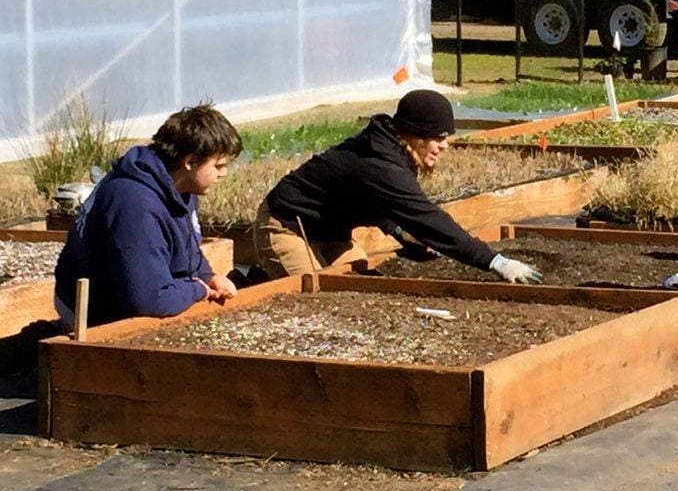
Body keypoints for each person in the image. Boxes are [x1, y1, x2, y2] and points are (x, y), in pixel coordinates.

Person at [253, 89, 542, 284]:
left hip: (331, 232)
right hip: (288, 226)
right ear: (415, 133)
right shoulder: (381, 165)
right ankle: (249, 283)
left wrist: (401, 234)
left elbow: (376, 202)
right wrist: (495, 261)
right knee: (313, 297)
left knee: (363, 287)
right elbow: (430, 219)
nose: (444, 144)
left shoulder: (392, 150)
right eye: (438, 136)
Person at [54, 104, 243, 328]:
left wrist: (208, 276)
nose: (224, 173)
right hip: (95, 314)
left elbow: (188, 248)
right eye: (219, 165)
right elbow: (146, 300)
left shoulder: (180, 186)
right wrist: (197, 289)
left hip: (142, 291)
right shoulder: (134, 206)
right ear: (190, 161)